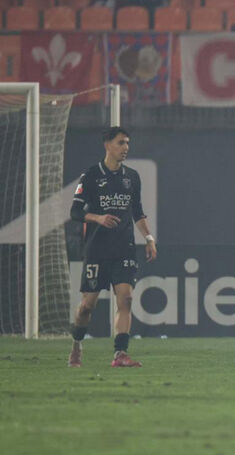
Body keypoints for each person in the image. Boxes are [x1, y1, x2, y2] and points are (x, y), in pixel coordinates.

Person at [68, 127, 157, 368]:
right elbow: (75, 212)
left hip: (124, 247)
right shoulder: (91, 176)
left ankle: (120, 354)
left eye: (127, 143)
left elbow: (137, 212)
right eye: (121, 143)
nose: (126, 147)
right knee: (87, 306)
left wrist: (148, 238)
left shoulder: (132, 177)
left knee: (126, 299)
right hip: (97, 249)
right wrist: (98, 218)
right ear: (107, 145)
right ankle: (76, 342)